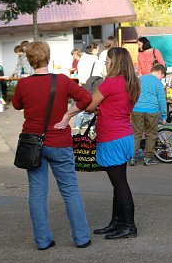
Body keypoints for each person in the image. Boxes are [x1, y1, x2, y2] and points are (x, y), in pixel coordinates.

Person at [12, 41, 92, 250]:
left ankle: (42, 240)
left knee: (37, 193)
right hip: (59, 142)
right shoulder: (62, 80)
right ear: (48, 57)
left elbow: (16, 105)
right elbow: (86, 98)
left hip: (33, 144)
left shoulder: (23, 84)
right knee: (70, 190)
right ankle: (81, 238)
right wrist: (68, 115)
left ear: (30, 60)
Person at [57, 47, 141, 240]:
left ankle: (129, 226)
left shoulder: (110, 83)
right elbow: (116, 106)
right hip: (124, 135)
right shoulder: (132, 82)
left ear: (115, 62)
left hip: (112, 137)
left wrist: (73, 113)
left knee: (120, 184)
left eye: (108, 61)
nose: (106, 64)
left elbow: (88, 104)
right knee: (118, 182)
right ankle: (117, 222)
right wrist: (102, 109)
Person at [130, 63, 167, 166]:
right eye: (162, 76)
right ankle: (148, 158)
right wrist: (164, 116)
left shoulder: (139, 79)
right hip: (152, 110)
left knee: (136, 134)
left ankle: (132, 158)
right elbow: (162, 101)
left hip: (136, 109)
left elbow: (131, 94)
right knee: (151, 134)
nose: (161, 79)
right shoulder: (158, 84)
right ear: (159, 72)